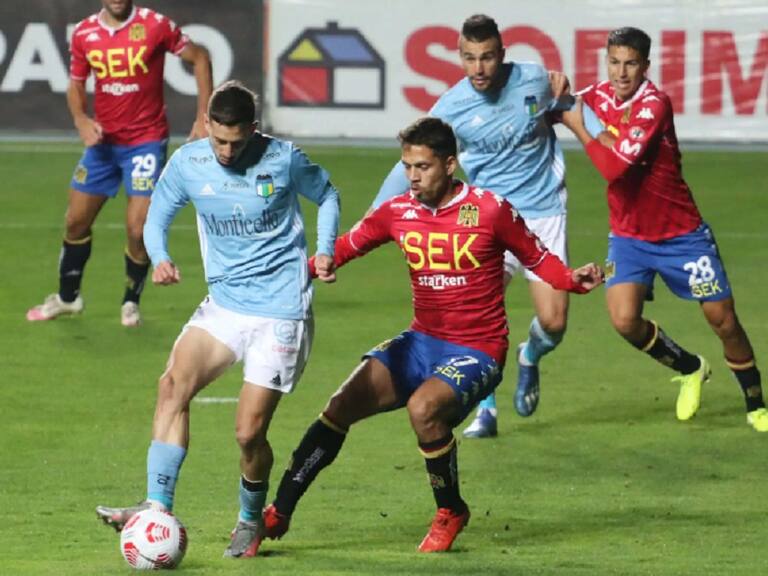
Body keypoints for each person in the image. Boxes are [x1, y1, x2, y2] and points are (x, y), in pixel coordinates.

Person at [257, 117, 603, 553]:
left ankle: (450, 510)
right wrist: (307, 272)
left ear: (450, 164)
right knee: (340, 405)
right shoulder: (397, 212)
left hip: (479, 349)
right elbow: (345, 247)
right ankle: (278, 512)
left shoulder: (490, 209)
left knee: (423, 409)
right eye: (408, 166)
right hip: (422, 342)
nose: (413, 176)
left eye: (423, 166)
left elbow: (537, 256)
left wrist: (572, 278)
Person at [94, 80, 341, 558]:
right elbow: (156, 218)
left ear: (254, 129)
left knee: (248, 432)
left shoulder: (283, 159)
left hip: (281, 312)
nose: (227, 151)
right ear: (206, 125)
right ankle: (156, 505)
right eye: (218, 139)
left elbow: (328, 195)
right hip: (226, 306)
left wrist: (326, 249)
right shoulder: (190, 162)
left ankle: (250, 519)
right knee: (172, 387)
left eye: (237, 141)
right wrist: (161, 257)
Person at [375, 14, 583, 437]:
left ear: (501, 55)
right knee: (470, 320)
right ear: (460, 57)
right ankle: (484, 408)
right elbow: (412, 158)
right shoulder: (450, 108)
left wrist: (601, 140)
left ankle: (530, 356)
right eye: (469, 58)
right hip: (483, 218)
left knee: (556, 321)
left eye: (487, 57)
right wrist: (377, 213)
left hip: (542, 212)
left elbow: (571, 103)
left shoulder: (535, 81)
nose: (479, 68)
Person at [561, 27, 767, 431]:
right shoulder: (596, 95)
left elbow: (613, 168)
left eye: (631, 64)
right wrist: (549, 92)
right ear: (607, 62)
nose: (621, 73)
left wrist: (580, 128)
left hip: (682, 236)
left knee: (723, 320)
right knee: (623, 320)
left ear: (646, 67)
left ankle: (756, 401)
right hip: (628, 236)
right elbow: (549, 104)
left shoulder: (654, 104)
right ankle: (691, 367)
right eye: (615, 62)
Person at [26, 0, 213, 327]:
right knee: (75, 222)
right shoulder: (85, 33)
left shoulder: (155, 25)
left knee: (138, 230)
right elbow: (75, 83)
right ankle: (68, 298)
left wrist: (203, 117)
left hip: (145, 142)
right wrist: (82, 119)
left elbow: (200, 57)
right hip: (103, 144)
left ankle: (131, 301)